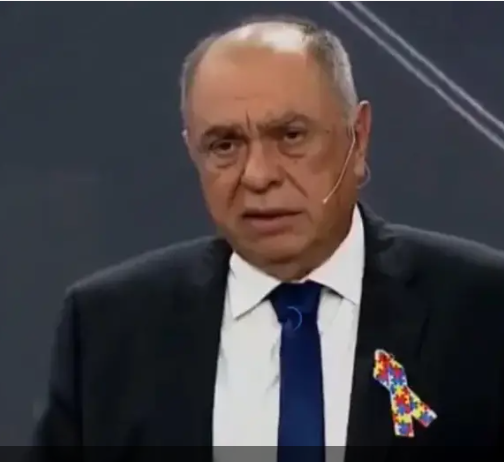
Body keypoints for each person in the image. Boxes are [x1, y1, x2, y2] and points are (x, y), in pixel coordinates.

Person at [29, 14, 504, 461]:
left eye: (291, 135)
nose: (257, 176)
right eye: (225, 145)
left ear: (357, 139)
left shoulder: (482, 309)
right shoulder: (108, 328)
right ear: (193, 152)